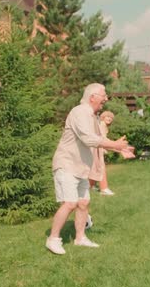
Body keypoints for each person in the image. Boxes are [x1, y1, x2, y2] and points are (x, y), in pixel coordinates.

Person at [46, 83, 129, 255]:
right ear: (92, 97)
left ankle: (80, 238)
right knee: (70, 203)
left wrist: (119, 148)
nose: (106, 98)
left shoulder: (92, 116)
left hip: (80, 167)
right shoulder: (80, 112)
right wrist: (115, 144)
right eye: (103, 95)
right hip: (67, 164)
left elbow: (99, 140)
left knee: (83, 203)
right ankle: (53, 239)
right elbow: (88, 139)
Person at [89, 111, 135, 196]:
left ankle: (90, 186)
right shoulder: (102, 125)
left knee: (95, 167)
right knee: (100, 167)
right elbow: (103, 139)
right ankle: (104, 189)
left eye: (111, 118)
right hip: (96, 148)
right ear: (103, 117)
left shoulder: (103, 126)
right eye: (107, 117)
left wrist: (117, 146)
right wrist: (117, 145)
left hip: (96, 148)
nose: (109, 119)